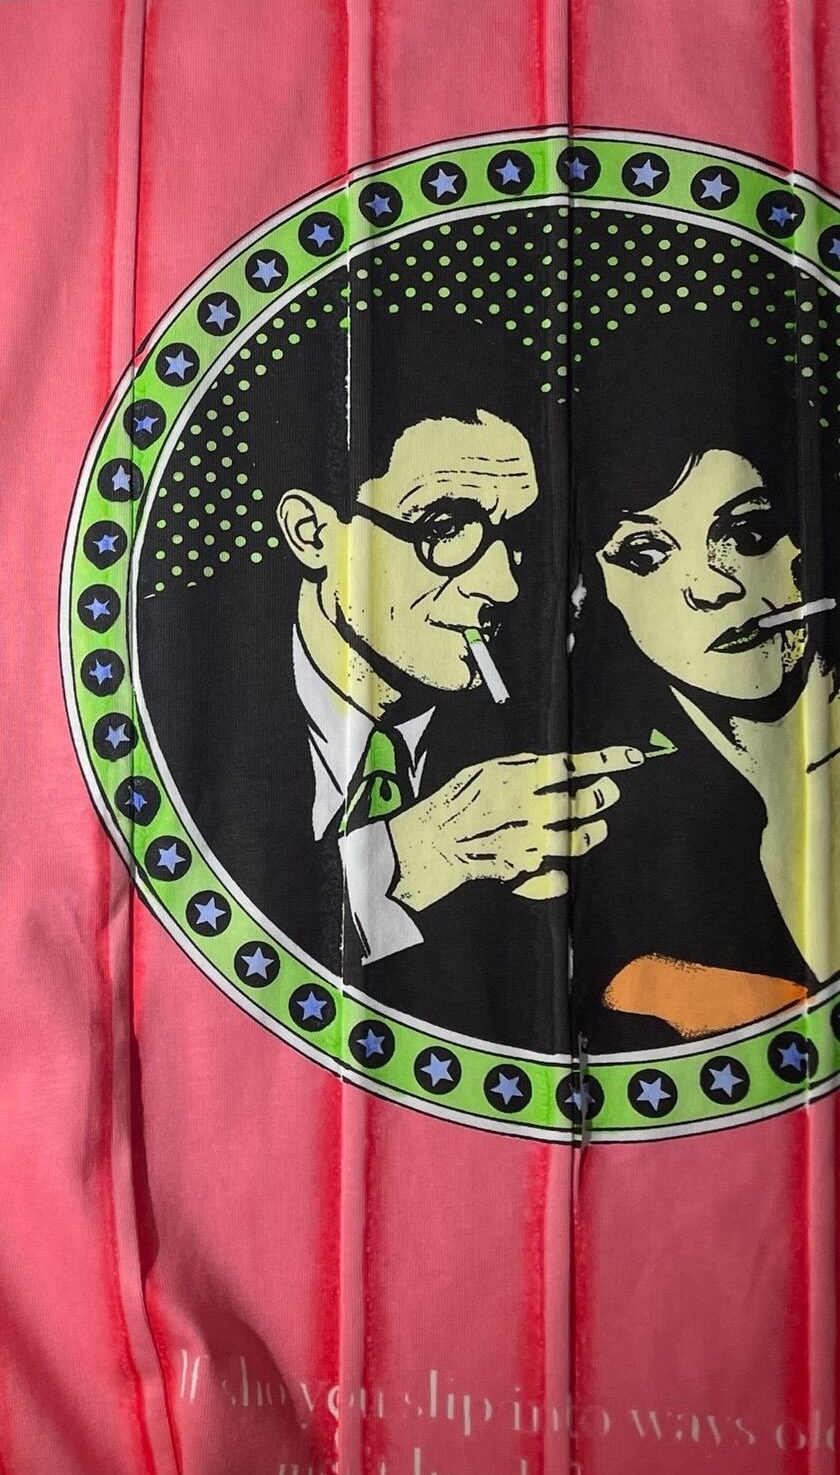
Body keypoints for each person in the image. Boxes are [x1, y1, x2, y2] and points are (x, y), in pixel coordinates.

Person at [143, 300, 636, 1051]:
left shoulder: (549, 700)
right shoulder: (171, 680)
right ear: (313, 532)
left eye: (519, 534)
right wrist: (405, 860)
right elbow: (177, 942)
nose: (503, 585)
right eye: (447, 530)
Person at [567, 307, 839, 1050]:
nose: (713, 587)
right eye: (646, 554)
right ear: (593, 590)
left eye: (746, 532)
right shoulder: (604, 827)